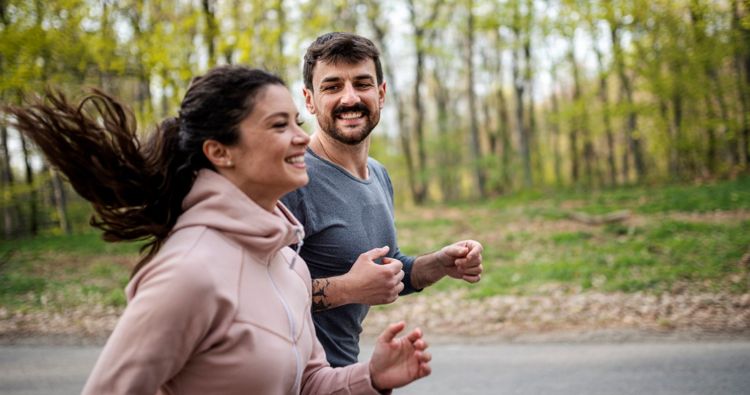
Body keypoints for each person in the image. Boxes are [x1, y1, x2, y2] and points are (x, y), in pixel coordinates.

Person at [6, 65, 431, 394]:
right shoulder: (188, 271)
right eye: (280, 125)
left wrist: (370, 377)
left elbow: (308, 382)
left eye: (296, 123)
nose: (302, 138)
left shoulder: (287, 261)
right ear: (220, 152)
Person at [281, 32, 484, 368]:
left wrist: (437, 265)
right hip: (294, 376)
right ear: (309, 100)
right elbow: (259, 292)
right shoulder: (292, 177)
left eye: (362, 83)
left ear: (381, 93)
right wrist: (346, 289)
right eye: (332, 87)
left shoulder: (379, 174)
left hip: (343, 375)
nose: (350, 98)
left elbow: (382, 270)